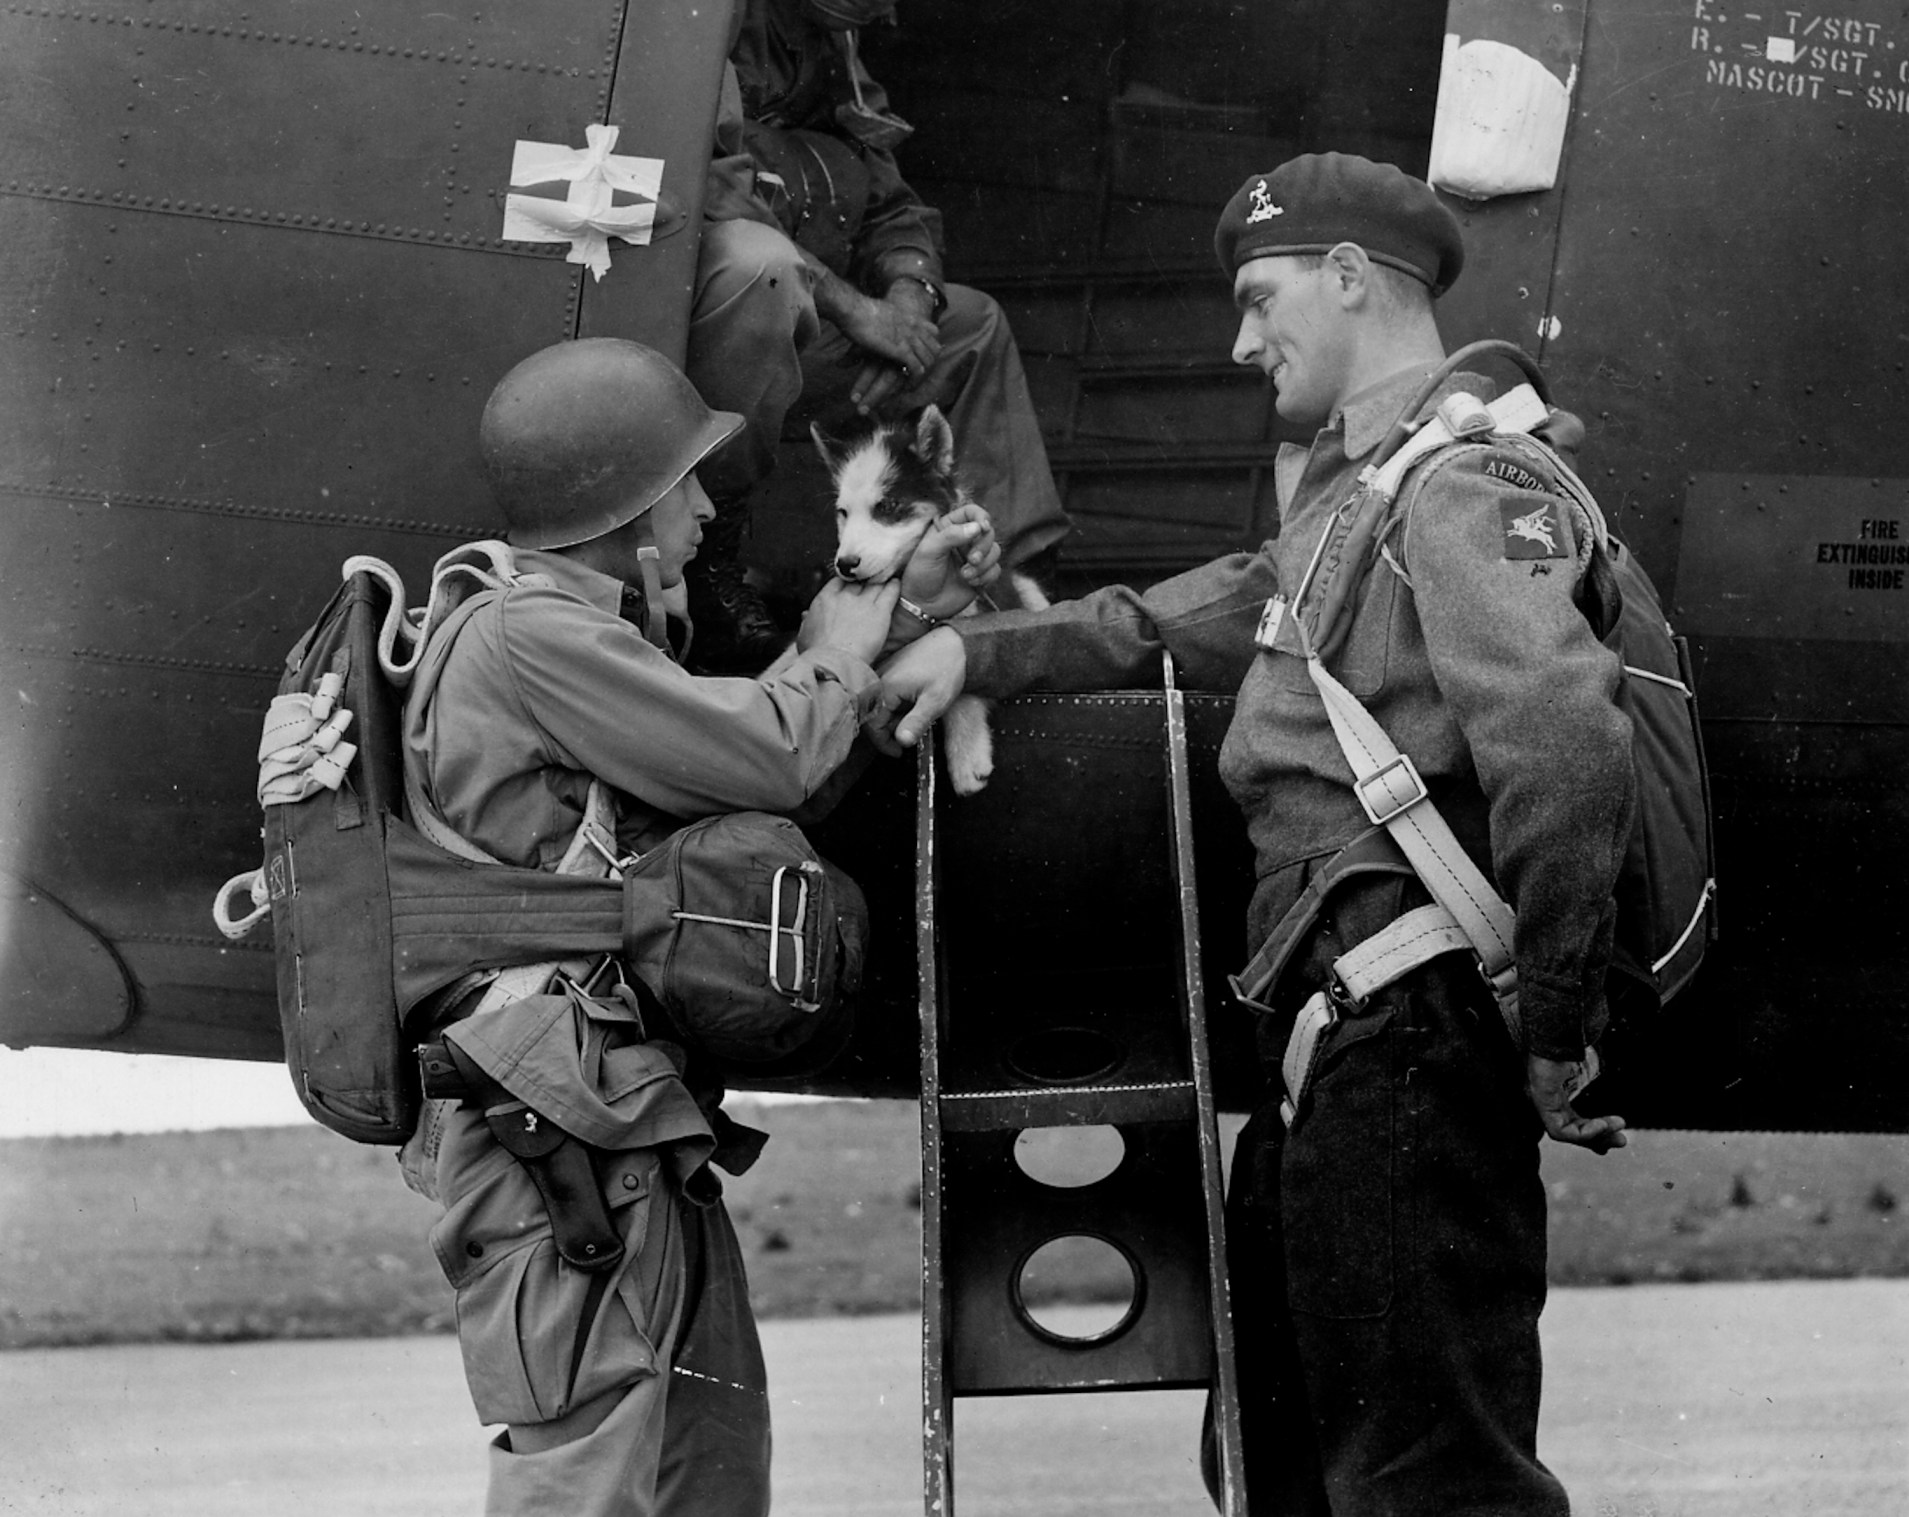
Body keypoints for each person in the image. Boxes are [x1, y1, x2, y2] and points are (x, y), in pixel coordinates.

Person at [872, 154, 1633, 1515]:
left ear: (1348, 278)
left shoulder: (1463, 483)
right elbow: (1197, 612)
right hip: (1332, 1053)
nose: (1237, 341)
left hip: (1411, 1036)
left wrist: (1555, 1019)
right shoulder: (1359, 500)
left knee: (1425, 1479)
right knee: (1280, 1462)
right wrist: (986, 649)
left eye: (1259, 298)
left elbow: (1567, 744)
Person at [397, 337, 997, 1516]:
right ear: (619, 502)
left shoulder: (583, 639)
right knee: (590, 1480)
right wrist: (833, 649)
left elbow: (737, 793)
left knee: (704, 1463)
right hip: (559, 1133)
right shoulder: (534, 634)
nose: (708, 504)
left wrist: (899, 610)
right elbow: (770, 753)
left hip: (616, 1120)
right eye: (685, 480)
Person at [685, 0, 1069, 670]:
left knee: (970, 326)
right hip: (724, 329)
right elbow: (715, 195)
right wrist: (857, 313)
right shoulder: (716, 24)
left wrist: (908, 302)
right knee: (762, 276)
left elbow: (892, 203)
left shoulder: (837, 48)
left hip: (821, 328)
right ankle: (711, 573)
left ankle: (1008, 581)